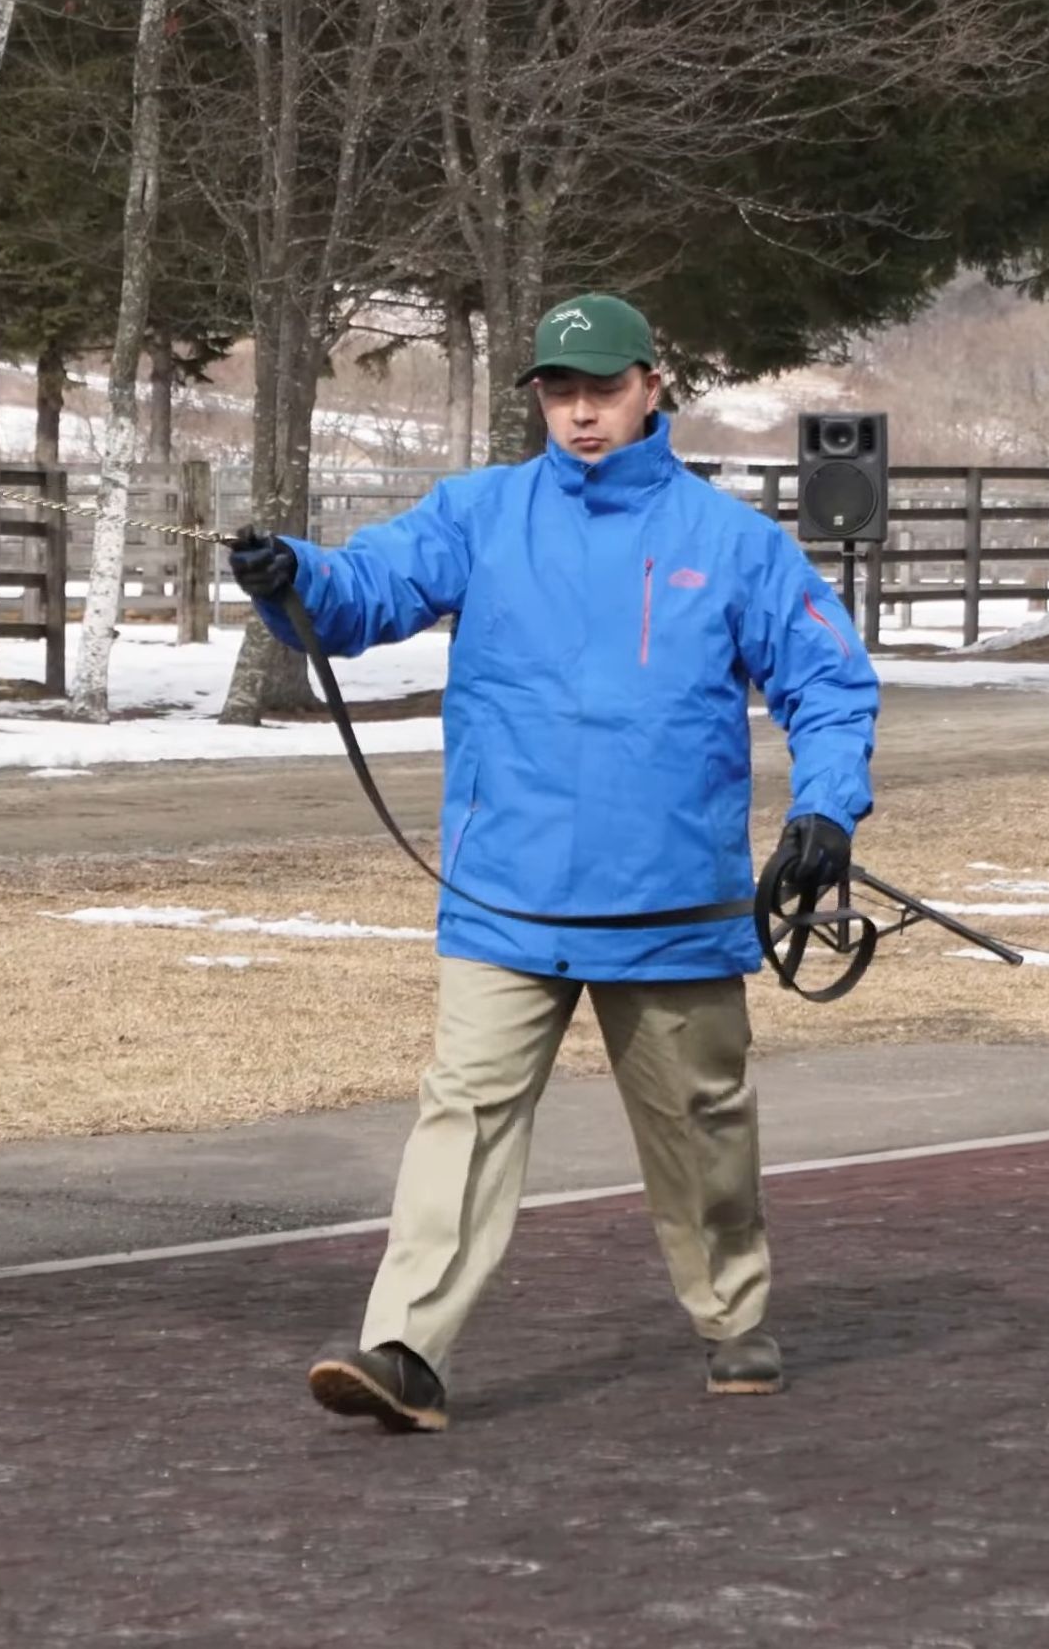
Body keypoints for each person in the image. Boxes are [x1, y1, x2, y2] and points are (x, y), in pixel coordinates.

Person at [227, 292, 878, 1432]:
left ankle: (732, 1317)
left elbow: (827, 684)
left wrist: (824, 809)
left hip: (669, 903)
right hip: (505, 894)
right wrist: (295, 576)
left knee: (700, 1130)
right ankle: (406, 1346)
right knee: (462, 1114)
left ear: (650, 386)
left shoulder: (731, 542)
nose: (581, 413)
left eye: (603, 388)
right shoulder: (476, 513)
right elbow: (366, 590)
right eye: (561, 392)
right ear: (537, 396)